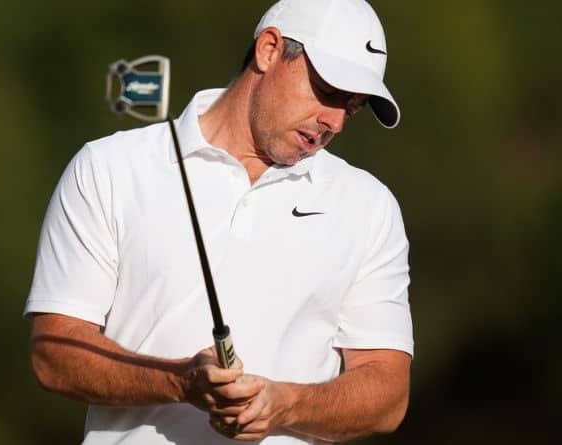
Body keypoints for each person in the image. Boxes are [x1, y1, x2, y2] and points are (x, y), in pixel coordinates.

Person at [24, 0, 413, 443]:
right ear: (269, 50)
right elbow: (53, 352)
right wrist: (178, 382)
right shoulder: (109, 167)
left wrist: (287, 404)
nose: (336, 121)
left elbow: (388, 392)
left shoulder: (369, 206)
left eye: (353, 106)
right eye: (328, 91)